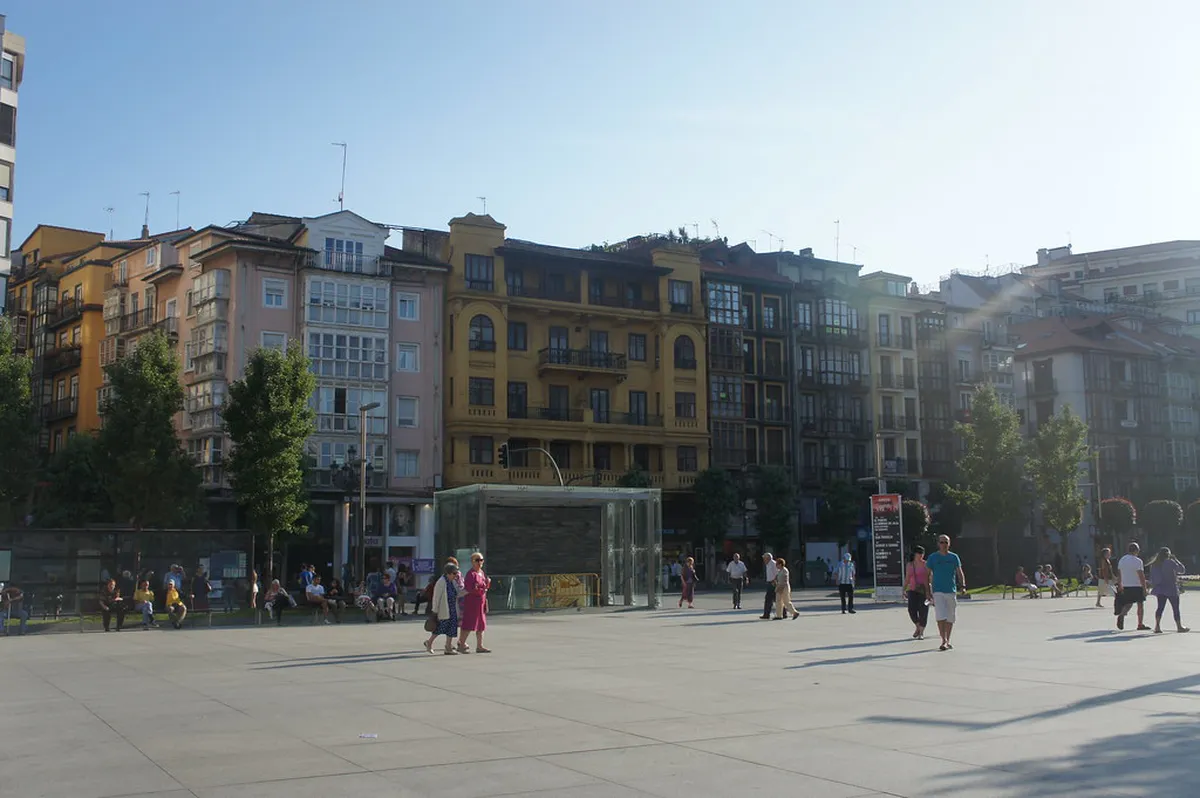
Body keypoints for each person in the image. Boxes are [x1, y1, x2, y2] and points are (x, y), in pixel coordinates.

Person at [926, 535, 965, 651]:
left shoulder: (954, 557)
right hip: (938, 591)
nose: (944, 545)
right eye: (942, 542)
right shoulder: (933, 557)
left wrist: (962, 586)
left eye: (946, 542)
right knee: (940, 616)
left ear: (949, 544)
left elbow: (959, 572)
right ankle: (944, 640)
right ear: (938, 544)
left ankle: (948, 638)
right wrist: (928, 591)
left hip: (951, 590)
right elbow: (926, 575)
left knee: (950, 616)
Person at [1146, 547, 1189, 634]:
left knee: (1160, 608)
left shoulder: (1154, 564)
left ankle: (1157, 626)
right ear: (1168, 554)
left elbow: (1153, 578)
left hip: (1160, 589)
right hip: (1171, 588)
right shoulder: (1170, 562)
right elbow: (1182, 570)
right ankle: (1179, 626)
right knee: (1175, 608)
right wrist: (1176, 559)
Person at [457, 552, 492, 653]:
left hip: (480, 602)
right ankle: (461, 644)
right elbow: (470, 588)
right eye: (477, 560)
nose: (479, 562)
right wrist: (482, 589)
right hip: (472, 603)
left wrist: (487, 584)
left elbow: (484, 586)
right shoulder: (471, 574)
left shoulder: (481, 573)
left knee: (481, 625)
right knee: (469, 624)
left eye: (481, 560)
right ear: (472, 562)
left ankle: (480, 646)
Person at [424, 562, 461, 655]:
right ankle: (429, 642)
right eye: (454, 573)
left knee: (452, 629)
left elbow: (458, 592)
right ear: (448, 573)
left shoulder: (453, 581)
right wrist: (435, 611)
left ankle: (448, 647)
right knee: (441, 627)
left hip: (452, 609)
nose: (455, 575)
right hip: (444, 610)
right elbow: (436, 597)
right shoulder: (441, 582)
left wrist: (468, 591)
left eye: (456, 573)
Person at [1115, 542, 1151, 631]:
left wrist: (1120, 584)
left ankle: (1122, 614)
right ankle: (1140, 623)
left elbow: (1119, 574)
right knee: (1140, 604)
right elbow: (1141, 575)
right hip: (1137, 585)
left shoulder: (1122, 560)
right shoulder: (1137, 561)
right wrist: (1144, 588)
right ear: (1136, 550)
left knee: (1128, 603)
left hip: (1125, 585)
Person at [905, 547, 929, 639]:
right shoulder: (910, 565)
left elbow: (928, 578)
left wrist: (928, 592)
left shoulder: (926, 564)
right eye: (919, 553)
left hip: (923, 590)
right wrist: (904, 589)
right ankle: (918, 626)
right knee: (911, 610)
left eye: (922, 553)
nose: (921, 555)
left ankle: (921, 632)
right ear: (914, 554)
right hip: (912, 589)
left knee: (923, 610)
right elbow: (907, 578)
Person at [761, 553, 779, 620]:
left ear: (768, 558)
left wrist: (774, 581)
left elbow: (777, 573)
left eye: (764, 558)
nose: (764, 560)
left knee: (771, 599)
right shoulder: (768, 564)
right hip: (769, 582)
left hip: (773, 583)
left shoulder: (773, 564)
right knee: (773, 599)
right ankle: (766, 614)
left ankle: (766, 614)